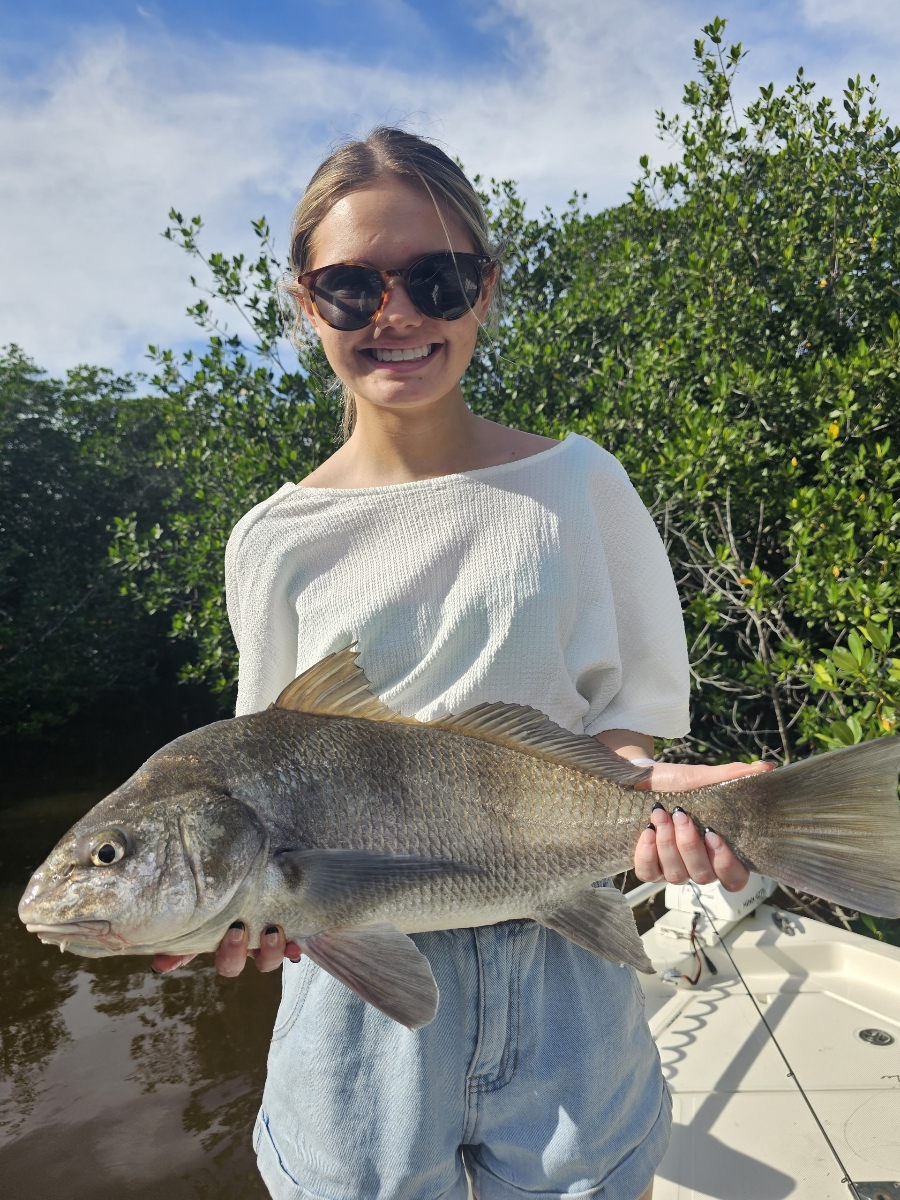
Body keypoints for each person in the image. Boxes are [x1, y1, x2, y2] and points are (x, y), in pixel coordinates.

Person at [152, 128, 772, 1200]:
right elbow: (264, 768)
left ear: (485, 289)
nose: (395, 317)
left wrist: (655, 806)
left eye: (435, 280)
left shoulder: (581, 484)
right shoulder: (270, 536)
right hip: (356, 980)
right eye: (351, 289)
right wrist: (242, 909)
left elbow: (621, 730)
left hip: (567, 951)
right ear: (307, 305)